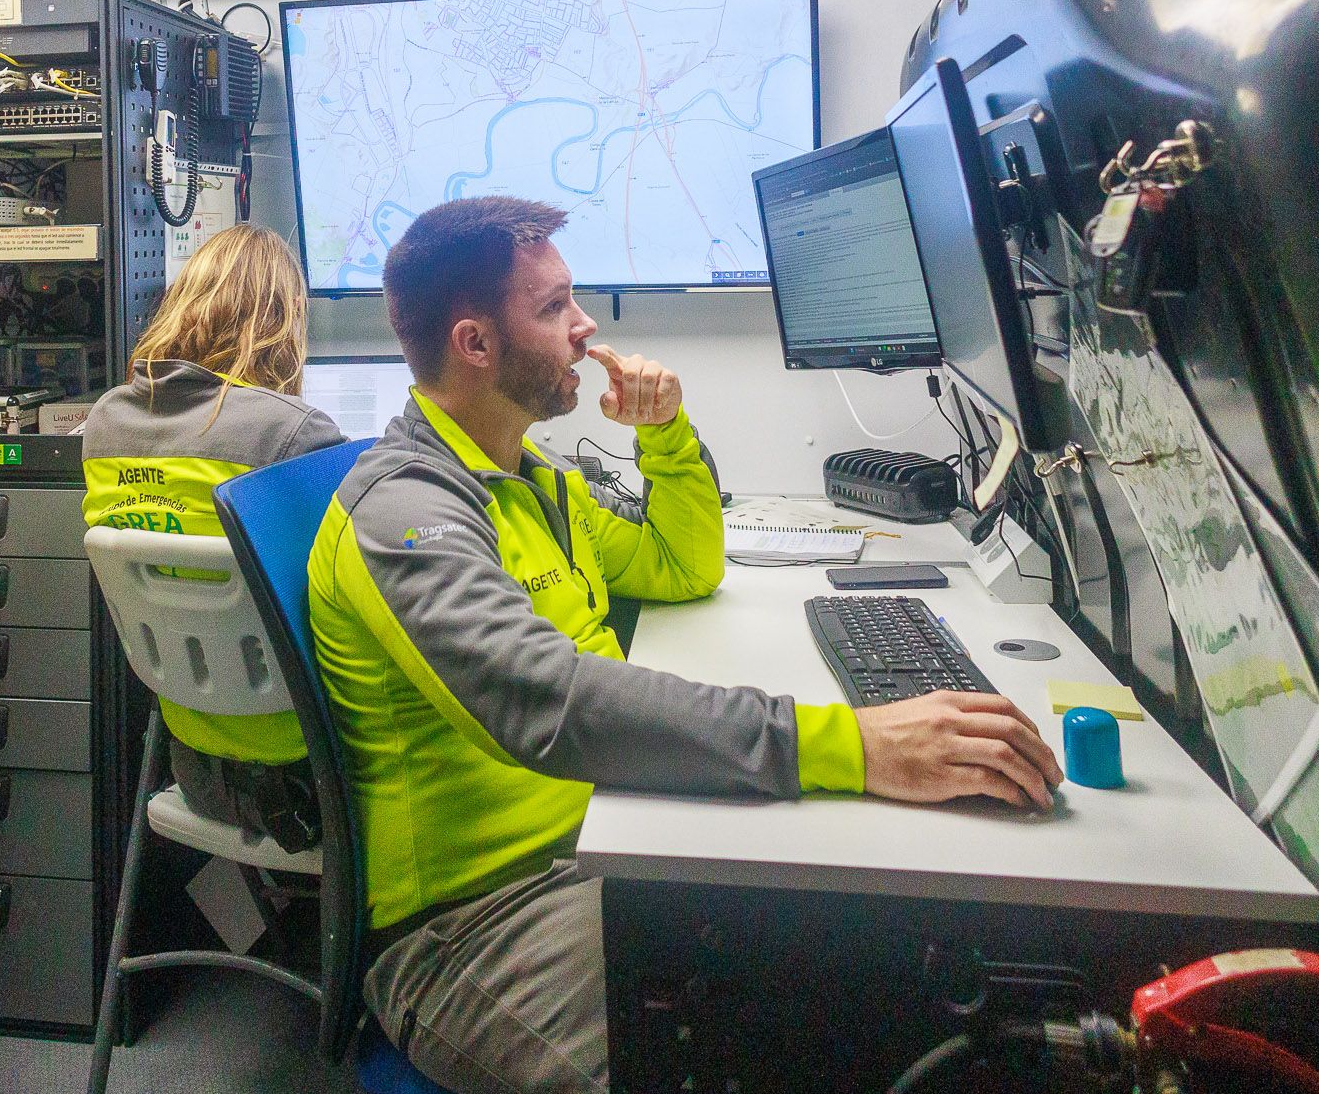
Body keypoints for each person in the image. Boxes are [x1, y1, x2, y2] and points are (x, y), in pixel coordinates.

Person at [308, 196, 1064, 1094]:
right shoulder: (404, 511)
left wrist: (664, 435)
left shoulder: (534, 481)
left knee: (883, 982)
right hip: (479, 925)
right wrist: (854, 744)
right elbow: (547, 703)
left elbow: (683, 565)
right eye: (552, 307)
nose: (585, 326)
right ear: (475, 344)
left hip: (620, 839)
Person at [82, 222, 346, 849]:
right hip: (315, 778)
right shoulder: (294, 434)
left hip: (194, 769)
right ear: (281, 322)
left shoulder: (106, 423)